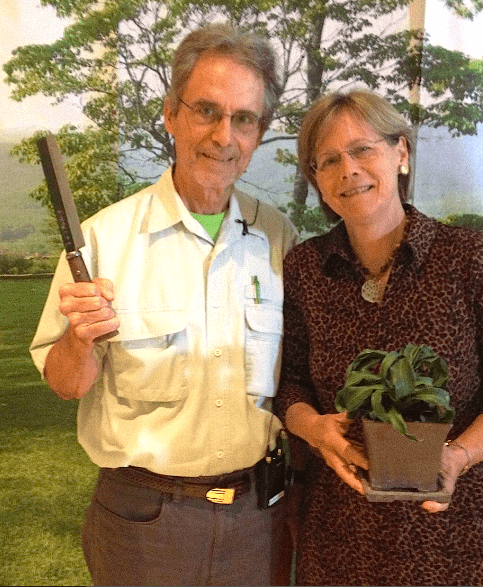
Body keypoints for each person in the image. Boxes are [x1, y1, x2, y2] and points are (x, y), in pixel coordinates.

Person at [30, 23, 299, 587]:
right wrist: (79, 338)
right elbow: (65, 384)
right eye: (206, 110)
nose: (223, 135)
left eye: (243, 119)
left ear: (259, 133)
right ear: (171, 114)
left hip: (258, 519)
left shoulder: (278, 237)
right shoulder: (102, 241)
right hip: (144, 524)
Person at [275, 89, 483, 586]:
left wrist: (459, 455)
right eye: (329, 160)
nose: (349, 170)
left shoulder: (469, 260)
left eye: (363, 149)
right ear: (316, 179)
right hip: (343, 532)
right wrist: (314, 429)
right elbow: (289, 383)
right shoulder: (306, 270)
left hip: (459, 531)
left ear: (400, 153)